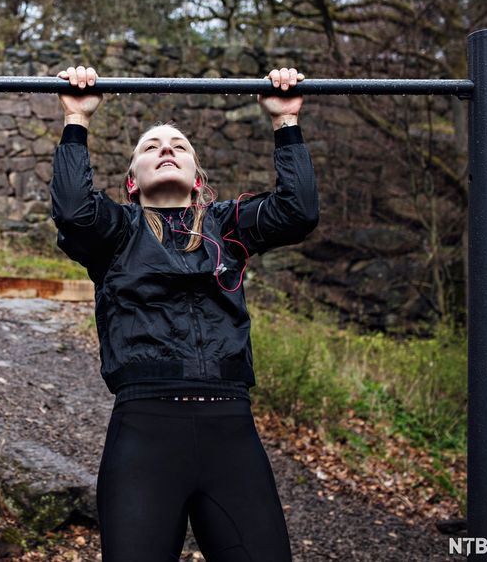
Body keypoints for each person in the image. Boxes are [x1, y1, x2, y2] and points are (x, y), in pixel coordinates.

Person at [50, 65, 319, 561]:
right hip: (145, 433)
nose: (166, 149)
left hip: (230, 432)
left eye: (179, 145)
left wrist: (285, 122)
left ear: (198, 180)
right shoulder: (116, 232)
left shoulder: (228, 227)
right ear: (132, 182)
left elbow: (297, 212)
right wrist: (76, 119)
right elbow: (72, 210)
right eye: (150, 147)